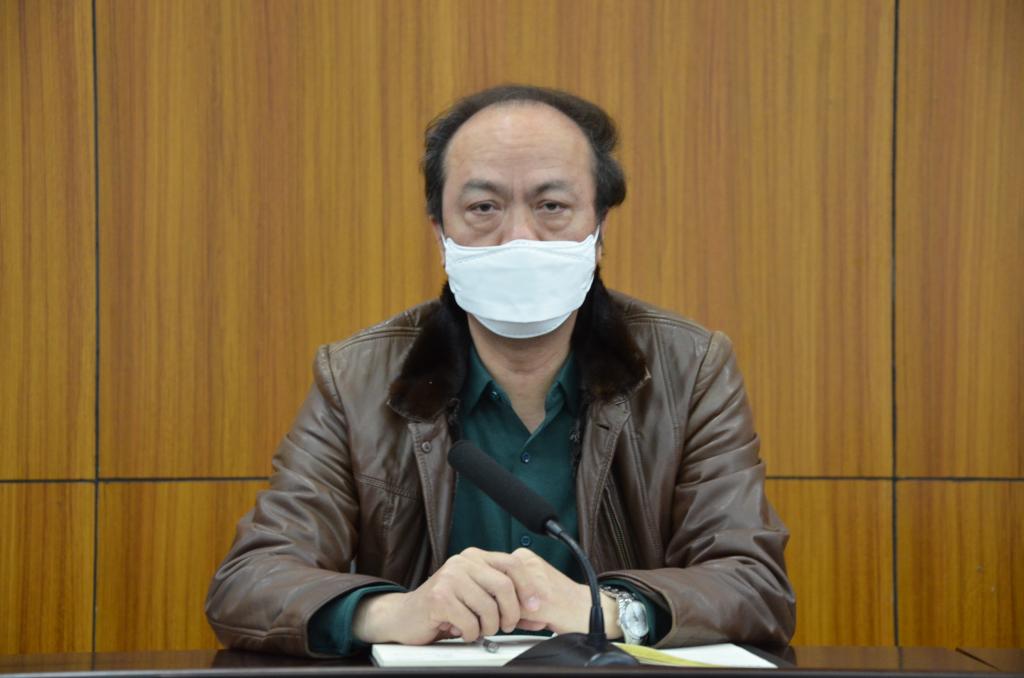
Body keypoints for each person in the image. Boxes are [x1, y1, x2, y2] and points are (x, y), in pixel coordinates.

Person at [205, 84, 796, 657]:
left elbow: (754, 583)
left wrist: (607, 608)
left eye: (552, 206)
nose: (518, 238)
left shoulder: (690, 369)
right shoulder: (356, 378)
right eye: (483, 207)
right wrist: (394, 612)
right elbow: (250, 581)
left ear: (599, 230)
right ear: (441, 233)